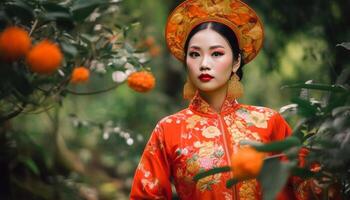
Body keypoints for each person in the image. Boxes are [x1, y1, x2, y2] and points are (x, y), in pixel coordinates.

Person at [130, 0, 313, 199]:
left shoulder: (269, 121)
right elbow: (145, 195)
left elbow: (308, 185)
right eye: (194, 54)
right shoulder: (169, 129)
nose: (204, 64)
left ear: (236, 62)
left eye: (216, 53)